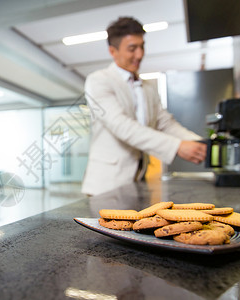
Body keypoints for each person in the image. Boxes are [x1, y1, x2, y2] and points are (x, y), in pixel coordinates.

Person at [82, 17, 207, 196]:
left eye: (142, 46)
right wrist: (176, 146)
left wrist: (201, 143)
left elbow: (166, 123)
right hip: (106, 186)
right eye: (132, 48)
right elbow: (122, 126)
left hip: (138, 181)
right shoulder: (98, 81)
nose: (139, 54)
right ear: (113, 51)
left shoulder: (148, 87)